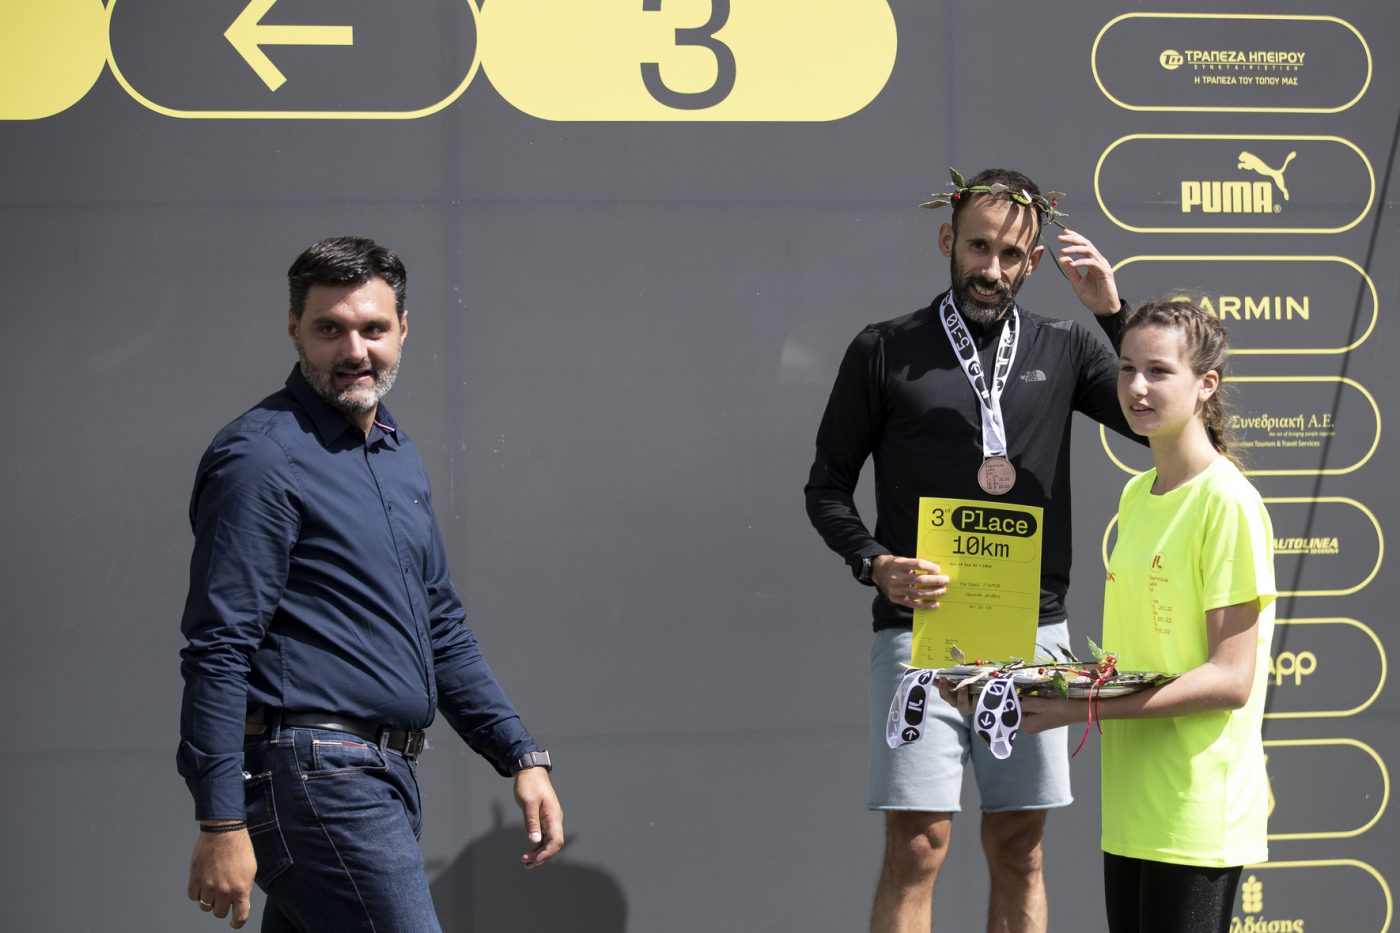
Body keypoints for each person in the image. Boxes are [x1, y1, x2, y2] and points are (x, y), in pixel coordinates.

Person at [178, 236, 563, 931]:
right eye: (330, 329)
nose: (354, 350)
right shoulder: (261, 458)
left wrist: (519, 753)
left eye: (373, 329)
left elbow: (439, 626)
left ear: (403, 329)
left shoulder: (394, 453)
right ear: (294, 328)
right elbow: (219, 646)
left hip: (380, 775)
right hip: (319, 781)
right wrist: (221, 820)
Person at [804, 167, 1139, 933]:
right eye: (978, 247)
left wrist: (1112, 314)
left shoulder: (1066, 346)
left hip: (1032, 632)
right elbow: (826, 488)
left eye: (1011, 254)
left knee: (1021, 848)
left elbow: (1160, 416)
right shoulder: (884, 349)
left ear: (1034, 262)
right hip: (920, 632)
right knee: (918, 845)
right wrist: (876, 563)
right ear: (947, 241)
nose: (992, 268)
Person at [1016, 299, 1276, 933]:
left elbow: (1230, 679)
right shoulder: (1136, 494)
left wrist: (1082, 708)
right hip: (1132, 806)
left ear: (1206, 384)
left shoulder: (1228, 502)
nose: (1136, 387)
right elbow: (1136, 663)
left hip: (1196, 808)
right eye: (1127, 368)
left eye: (1159, 371)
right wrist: (1025, 685)